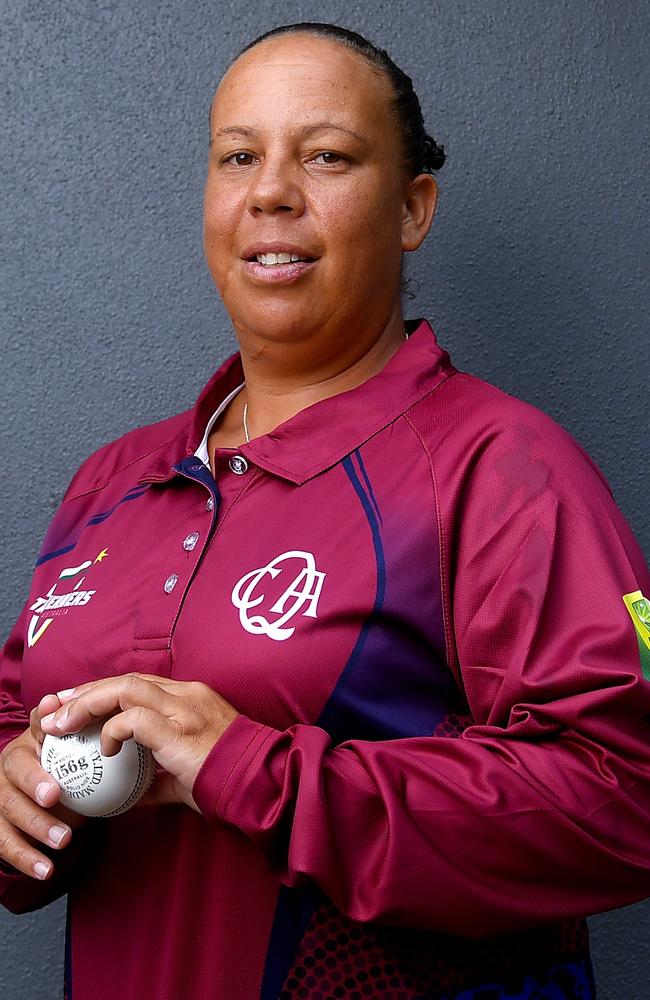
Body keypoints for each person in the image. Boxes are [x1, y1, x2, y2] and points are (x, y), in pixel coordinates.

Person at [1, 20, 649, 1000]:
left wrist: (253, 770)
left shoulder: (501, 466)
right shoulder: (114, 482)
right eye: (238, 157)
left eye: (327, 156)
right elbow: (14, 717)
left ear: (410, 207)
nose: (269, 192)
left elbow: (620, 796)